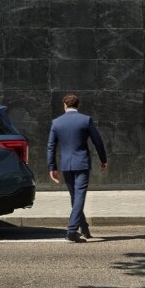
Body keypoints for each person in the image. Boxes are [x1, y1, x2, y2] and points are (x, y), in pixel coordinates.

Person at [47, 94, 108, 243]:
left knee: (75, 197)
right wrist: (103, 160)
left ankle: (84, 228)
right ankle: (72, 230)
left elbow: (51, 146)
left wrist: (52, 167)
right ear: (78, 105)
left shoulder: (56, 122)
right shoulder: (85, 120)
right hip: (82, 163)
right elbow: (97, 141)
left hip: (66, 165)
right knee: (79, 196)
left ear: (64, 105)